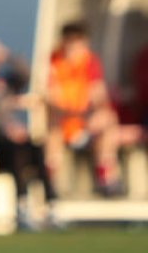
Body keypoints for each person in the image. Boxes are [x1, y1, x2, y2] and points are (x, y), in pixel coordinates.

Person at [0, 38, 58, 228]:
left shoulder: (2, 83)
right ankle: (22, 206)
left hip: (12, 138)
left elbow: (25, 73)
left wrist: (6, 56)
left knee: (36, 148)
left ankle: (51, 203)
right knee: (16, 151)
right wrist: (6, 131)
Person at [45, 20, 124, 197]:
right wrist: (78, 116)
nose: (76, 50)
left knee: (108, 120)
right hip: (63, 121)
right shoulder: (52, 62)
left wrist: (97, 112)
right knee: (53, 128)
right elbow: (53, 101)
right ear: (64, 42)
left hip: (83, 122)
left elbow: (98, 94)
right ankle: (49, 182)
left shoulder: (89, 61)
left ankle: (107, 179)